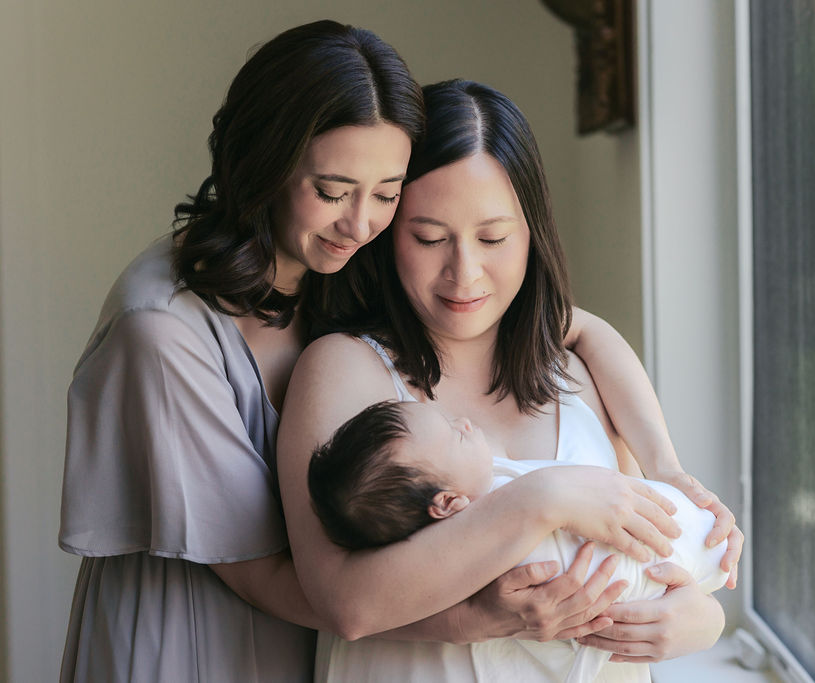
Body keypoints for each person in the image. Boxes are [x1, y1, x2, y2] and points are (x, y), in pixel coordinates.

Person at [58, 21, 737, 683]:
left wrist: (693, 591)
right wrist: (496, 579)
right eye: (333, 192)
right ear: (264, 163)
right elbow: (317, 592)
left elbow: (574, 327)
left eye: (383, 194)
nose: (359, 223)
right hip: (196, 637)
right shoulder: (180, 335)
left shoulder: (343, 279)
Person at [277, 79, 742, 683]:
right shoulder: (345, 368)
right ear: (389, 232)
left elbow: (643, 557)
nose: (463, 273)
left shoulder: (578, 374)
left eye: (493, 237)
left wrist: (701, 620)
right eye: (429, 238)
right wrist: (537, 501)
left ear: (532, 233)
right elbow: (345, 603)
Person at [307, 398, 730, 682]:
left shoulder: (578, 364)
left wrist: (708, 620)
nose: (466, 423)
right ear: (450, 502)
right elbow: (346, 606)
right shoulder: (351, 379)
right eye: (456, 433)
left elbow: (641, 527)